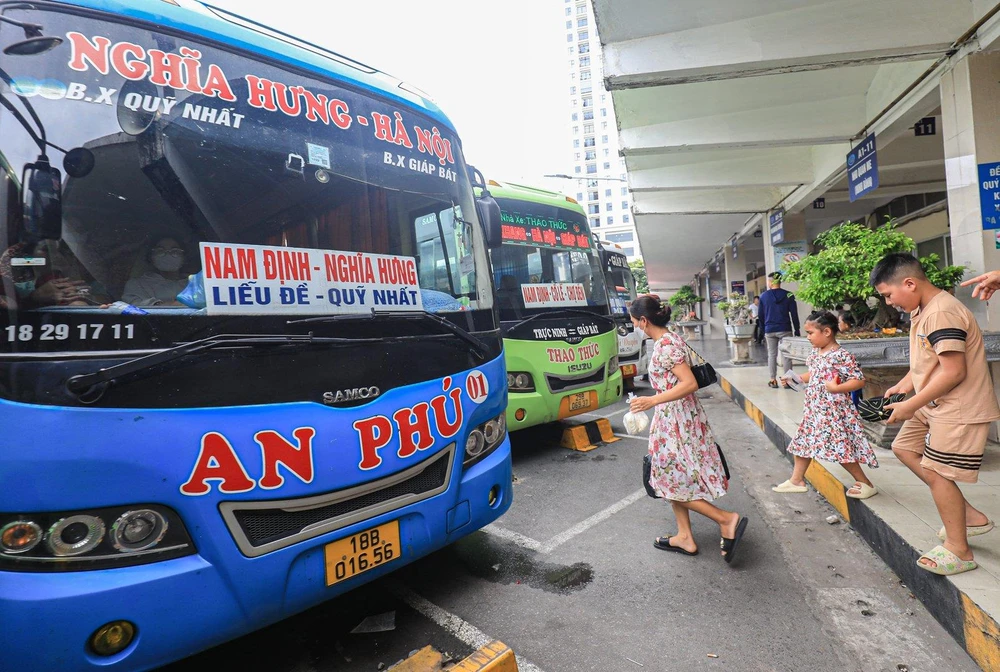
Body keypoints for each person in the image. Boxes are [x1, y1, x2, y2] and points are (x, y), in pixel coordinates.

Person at [873, 253, 1000, 576]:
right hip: (934, 404)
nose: (890, 302)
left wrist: (909, 405)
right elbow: (927, 361)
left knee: (939, 473)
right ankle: (969, 516)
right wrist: (902, 386)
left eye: (888, 295)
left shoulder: (942, 312)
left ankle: (959, 549)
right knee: (904, 448)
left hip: (958, 407)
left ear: (910, 283)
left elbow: (953, 372)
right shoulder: (922, 309)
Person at [627, 295, 749, 564]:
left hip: (676, 422)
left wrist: (652, 399)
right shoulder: (668, 340)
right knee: (672, 478)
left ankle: (725, 519)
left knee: (668, 480)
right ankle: (684, 536)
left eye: (634, 321)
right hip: (675, 417)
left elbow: (689, 383)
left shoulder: (666, 346)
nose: (634, 326)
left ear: (644, 321)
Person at [772, 312, 879, 498]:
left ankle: (865, 483)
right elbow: (814, 375)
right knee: (803, 443)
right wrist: (794, 379)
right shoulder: (816, 353)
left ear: (827, 331)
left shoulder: (841, 355)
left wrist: (837, 388)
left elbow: (858, 381)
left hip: (833, 411)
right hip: (815, 409)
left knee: (840, 449)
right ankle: (796, 480)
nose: (808, 337)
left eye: (811, 333)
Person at [758, 271, 800, 388]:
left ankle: (773, 380)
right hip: (785, 328)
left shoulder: (763, 296)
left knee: (772, 355)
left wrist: (763, 329)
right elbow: (794, 314)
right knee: (786, 355)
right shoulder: (788, 295)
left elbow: (760, 315)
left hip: (769, 329)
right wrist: (797, 329)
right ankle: (787, 381)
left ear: (771, 282)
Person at [122, 237, 190, 307]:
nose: (167, 254)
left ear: (184, 257)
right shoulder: (137, 284)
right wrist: (166, 305)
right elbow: (130, 308)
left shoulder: (195, 283)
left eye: (175, 251)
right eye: (160, 251)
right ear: (151, 256)